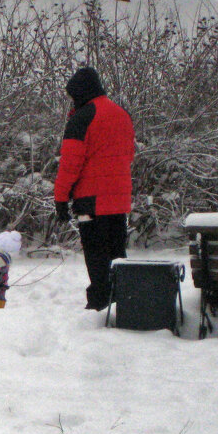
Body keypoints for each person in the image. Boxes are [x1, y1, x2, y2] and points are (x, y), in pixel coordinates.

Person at [53, 67, 135, 310]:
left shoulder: (82, 117)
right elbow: (129, 155)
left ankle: (100, 301)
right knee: (117, 252)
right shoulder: (122, 114)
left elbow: (70, 163)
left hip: (91, 199)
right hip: (119, 199)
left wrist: (60, 198)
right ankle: (122, 300)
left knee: (96, 253)